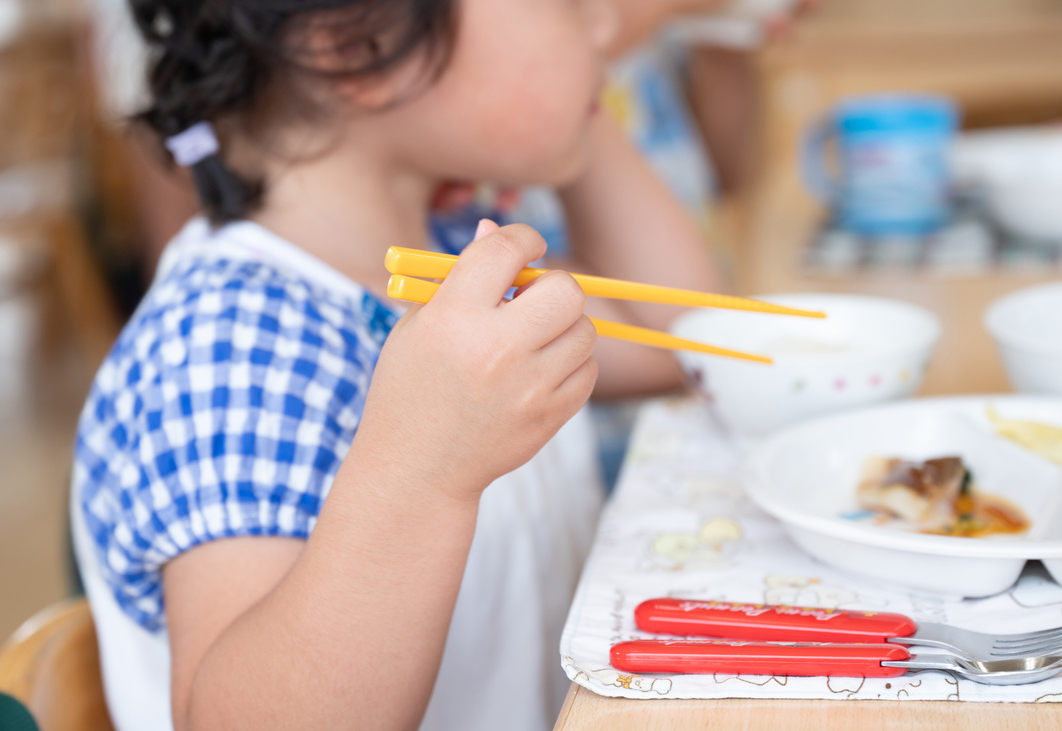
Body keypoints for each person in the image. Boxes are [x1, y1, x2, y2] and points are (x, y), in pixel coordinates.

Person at [70, 2, 723, 731]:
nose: (609, 25)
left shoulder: (446, 252)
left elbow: (683, 338)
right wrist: (421, 471)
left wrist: (569, 99)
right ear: (358, 44)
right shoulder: (225, 348)